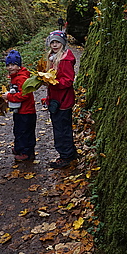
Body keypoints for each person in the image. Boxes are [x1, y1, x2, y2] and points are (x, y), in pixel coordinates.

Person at [44, 30, 78, 168]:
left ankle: (66, 156)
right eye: (52, 42)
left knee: (61, 130)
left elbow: (68, 81)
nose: (55, 45)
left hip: (63, 101)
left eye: (57, 42)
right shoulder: (53, 58)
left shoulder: (64, 60)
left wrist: (54, 83)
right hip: (56, 100)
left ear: (63, 43)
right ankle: (70, 152)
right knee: (61, 128)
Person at [2, 49, 37, 161]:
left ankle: (26, 152)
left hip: (26, 111)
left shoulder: (21, 78)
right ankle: (19, 147)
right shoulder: (15, 77)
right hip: (19, 110)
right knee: (18, 130)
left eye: (13, 65)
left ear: (18, 65)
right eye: (8, 65)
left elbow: (24, 94)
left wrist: (9, 97)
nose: (10, 67)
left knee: (24, 132)